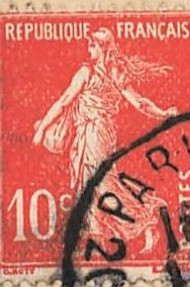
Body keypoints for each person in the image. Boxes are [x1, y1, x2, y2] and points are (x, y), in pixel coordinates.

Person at [32, 28, 176, 193]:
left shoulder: (87, 72)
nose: (89, 50)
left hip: (93, 135)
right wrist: (163, 114)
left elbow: (64, 102)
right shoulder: (115, 74)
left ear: (103, 48)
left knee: (93, 184)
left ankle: (100, 216)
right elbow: (140, 103)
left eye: (93, 45)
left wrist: (42, 129)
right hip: (103, 134)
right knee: (99, 182)